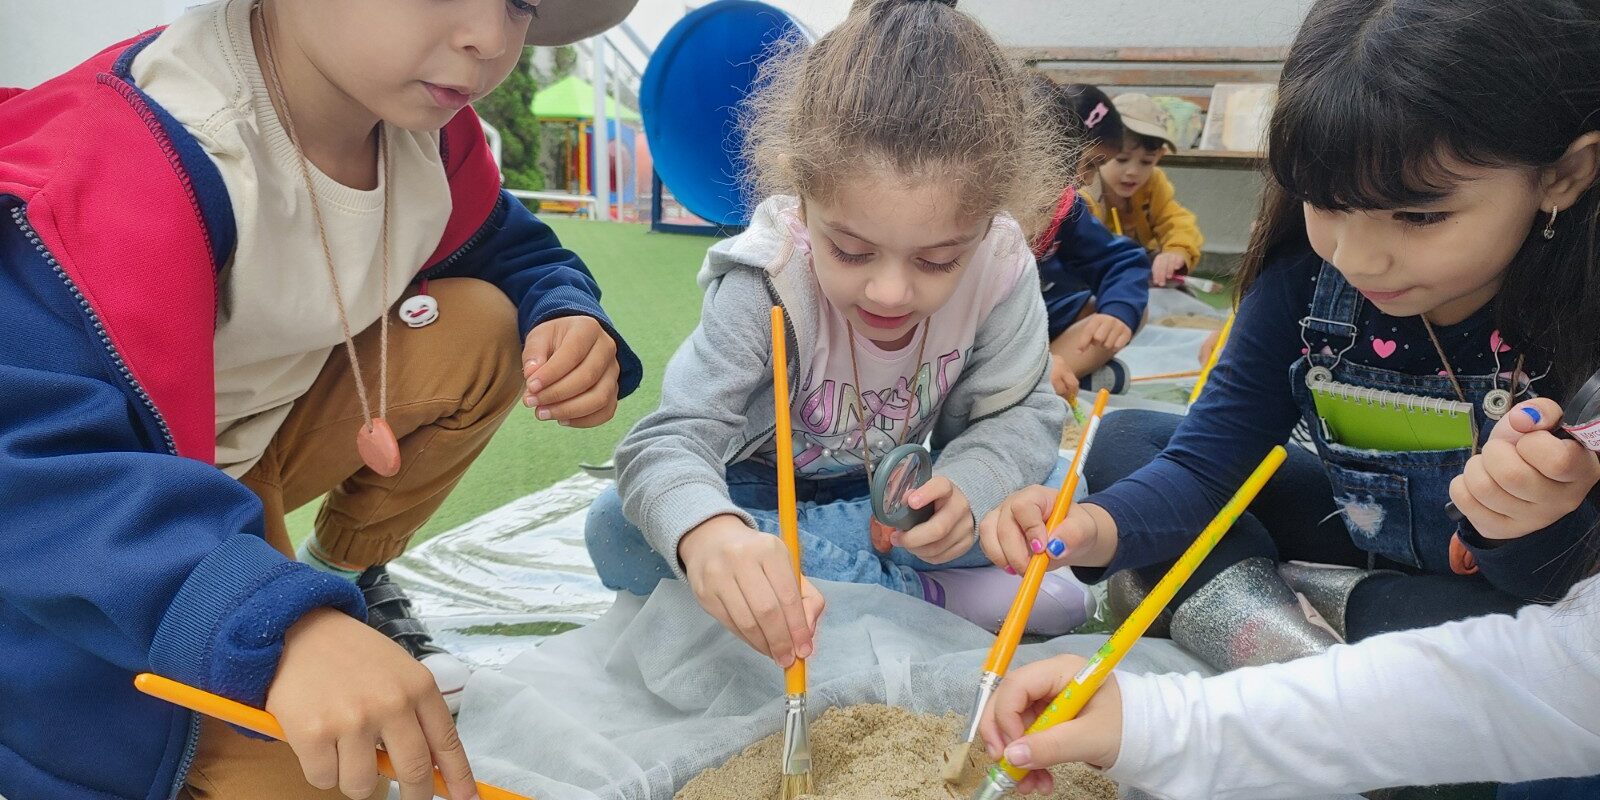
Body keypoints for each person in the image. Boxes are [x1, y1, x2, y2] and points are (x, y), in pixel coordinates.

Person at [0, 1, 642, 797]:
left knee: (486, 327)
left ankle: (347, 570)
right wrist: (277, 628)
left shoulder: (426, 134)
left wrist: (566, 311)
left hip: (257, 438)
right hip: (129, 518)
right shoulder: (116, 160)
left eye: (519, 2)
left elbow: (507, 245)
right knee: (327, 774)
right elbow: (35, 476)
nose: (488, 37)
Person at [586, 0, 1096, 670]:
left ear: (990, 218)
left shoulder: (1000, 265)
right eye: (852, 251)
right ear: (802, 201)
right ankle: (931, 598)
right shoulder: (765, 280)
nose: (889, 291)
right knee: (620, 525)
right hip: (763, 508)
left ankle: (876, 583)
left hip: (901, 507)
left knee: (1066, 489)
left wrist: (968, 491)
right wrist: (713, 538)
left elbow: (1022, 414)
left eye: (937, 260)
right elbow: (669, 442)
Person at [1083, 93, 1205, 288]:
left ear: (1159, 157)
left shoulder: (1154, 183)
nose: (1133, 172)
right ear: (1100, 151)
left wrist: (1176, 252)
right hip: (1093, 275)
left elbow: (1176, 221)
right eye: (1122, 159)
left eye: (1146, 162)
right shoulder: (1087, 191)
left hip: (1136, 269)